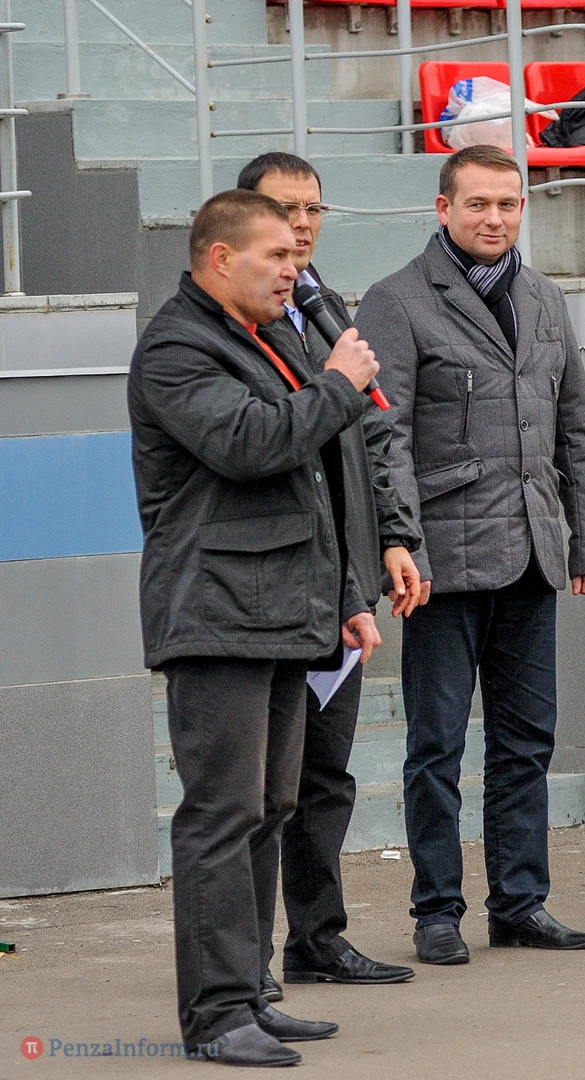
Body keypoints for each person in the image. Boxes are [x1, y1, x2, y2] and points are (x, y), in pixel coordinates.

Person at [128, 189, 385, 1066]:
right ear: (219, 258)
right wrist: (338, 384)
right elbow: (249, 444)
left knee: (271, 807)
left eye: (295, 254)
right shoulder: (177, 346)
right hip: (215, 614)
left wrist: (347, 595)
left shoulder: (270, 337)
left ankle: (250, 993)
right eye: (275, 254)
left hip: (282, 609)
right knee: (222, 813)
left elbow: (317, 481)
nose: (293, 268)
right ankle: (215, 1016)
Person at [357, 145, 585, 965]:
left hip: (533, 554)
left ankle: (520, 903)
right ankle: (436, 911)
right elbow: (384, 437)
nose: (493, 218)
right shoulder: (396, 300)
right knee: (436, 745)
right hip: (440, 564)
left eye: (507, 204)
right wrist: (401, 541)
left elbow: (576, 429)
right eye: (476, 204)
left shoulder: (544, 298)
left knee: (526, 740)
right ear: (443, 209)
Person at [237, 152, 424, 997]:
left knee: (325, 774)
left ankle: (317, 938)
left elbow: (373, 434)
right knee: (260, 789)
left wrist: (394, 537)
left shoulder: (320, 305)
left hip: (344, 581)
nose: (303, 225)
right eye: (285, 209)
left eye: (314, 208)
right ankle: (241, 966)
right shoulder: (241, 322)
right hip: (277, 586)